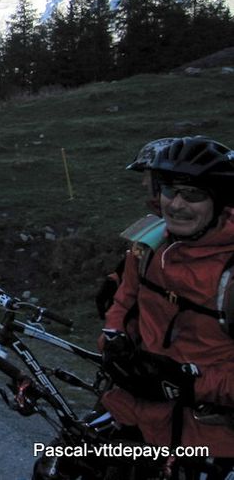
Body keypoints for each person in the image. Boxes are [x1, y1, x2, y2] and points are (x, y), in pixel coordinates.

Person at [100, 136, 234, 459]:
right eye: (170, 192)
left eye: (193, 195)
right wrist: (113, 340)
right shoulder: (149, 243)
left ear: (220, 201)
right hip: (133, 414)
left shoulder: (230, 276)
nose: (176, 205)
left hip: (210, 439)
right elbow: (123, 302)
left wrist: (188, 383)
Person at [94, 138, 175, 319]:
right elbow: (139, 259)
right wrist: (117, 278)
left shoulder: (186, 231)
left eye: (148, 174)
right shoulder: (159, 222)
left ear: (165, 178)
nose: (144, 183)